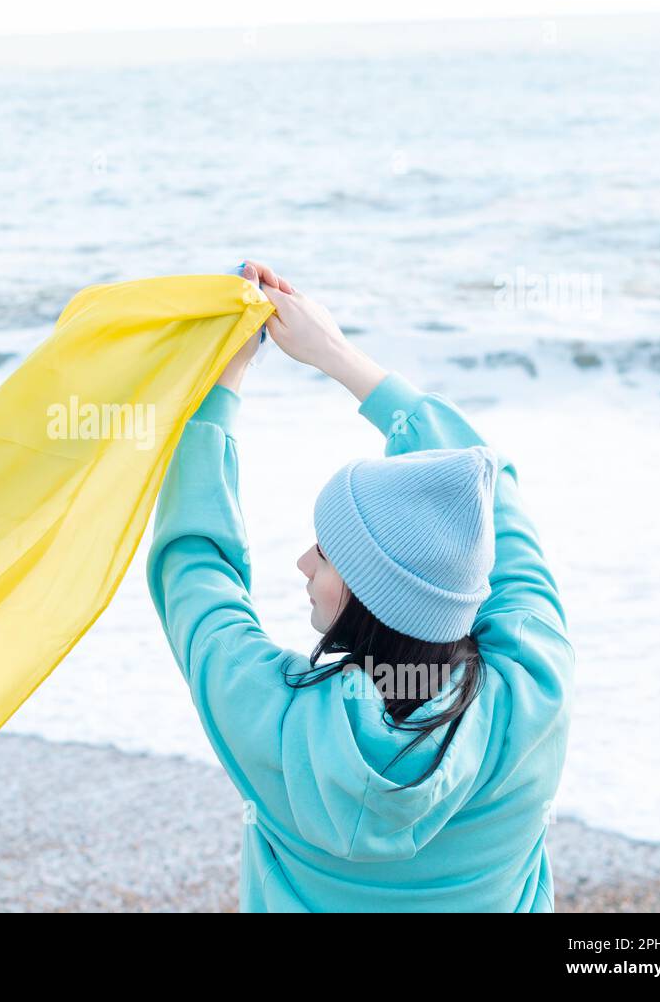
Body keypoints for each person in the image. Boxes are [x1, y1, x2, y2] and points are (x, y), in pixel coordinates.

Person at [146, 261, 573, 912]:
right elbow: (493, 499)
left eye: (325, 552)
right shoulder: (534, 688)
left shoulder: (275, 715)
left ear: (368, 594)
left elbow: (195, 573)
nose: (302, 562)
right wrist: (341, 358)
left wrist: (222, 383)